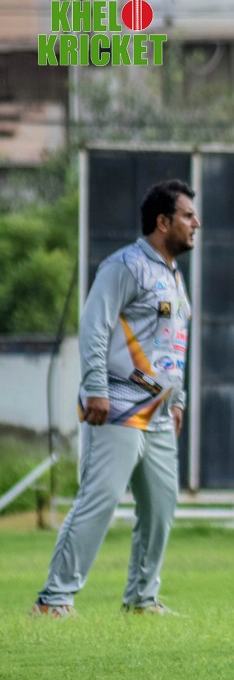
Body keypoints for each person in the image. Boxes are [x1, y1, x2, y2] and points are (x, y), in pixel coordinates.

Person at [32, 179, 199, 617]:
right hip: (118, 405)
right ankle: (53, 600)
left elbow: (172, 344)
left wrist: (178, 399)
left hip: (159, 414)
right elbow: (95, 325)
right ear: (162, 222)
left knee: (160, 507)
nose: (196, 223)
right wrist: (96, 387)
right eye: (187, 216)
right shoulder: (124, 266)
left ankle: (142, 600)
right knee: (99, 499)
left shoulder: (174, 278)